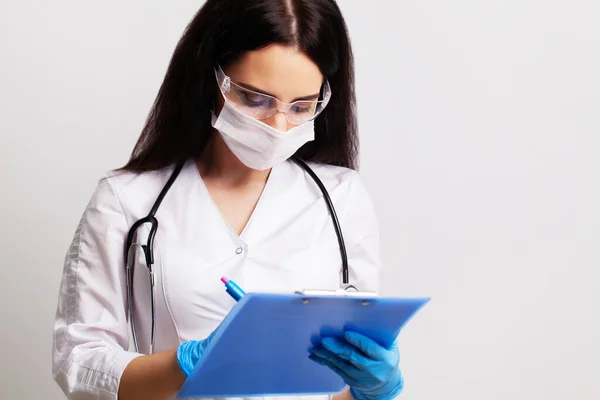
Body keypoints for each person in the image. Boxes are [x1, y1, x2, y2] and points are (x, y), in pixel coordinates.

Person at [51, 1, 404, 399]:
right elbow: (78, 363)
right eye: (256, 99)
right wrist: (186, 363)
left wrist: (369, 389)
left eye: (302, 106)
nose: (279, 125)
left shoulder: (342, 199)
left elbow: (342, 374)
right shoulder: (127, 201)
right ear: (210, 78)